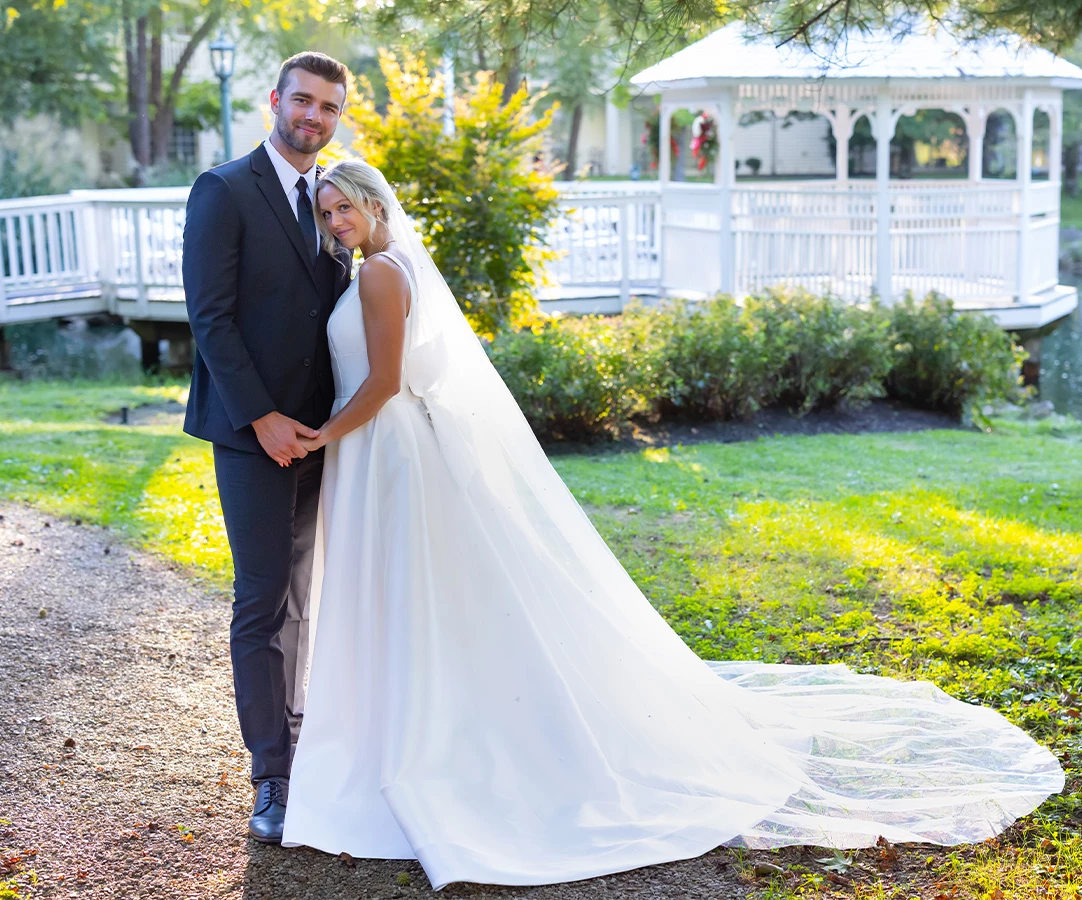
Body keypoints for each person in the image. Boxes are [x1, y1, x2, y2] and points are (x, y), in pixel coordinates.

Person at [280, 158, 1064, 889]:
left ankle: (418, 734)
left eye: (345, 207)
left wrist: (321, 436)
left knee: (406, 587)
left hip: (382, 444)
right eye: (326, 212)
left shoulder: (381, 273)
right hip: (382, 446)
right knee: (414, 592)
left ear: (374, 204)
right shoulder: (382, 265)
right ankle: (415, 720)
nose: (336, 221)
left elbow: (384, 382)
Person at [181, 51, 352, 843]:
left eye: (329, 107)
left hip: (319, 435)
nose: (314, 116)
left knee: (301, 593)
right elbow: (210, 318)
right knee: (261, 599)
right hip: (253, 436)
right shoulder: (223, 190)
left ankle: (300, 737)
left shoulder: (332, 201)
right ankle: (271, 778)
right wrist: (261, 418)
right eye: (303, 100)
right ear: (275, 101)